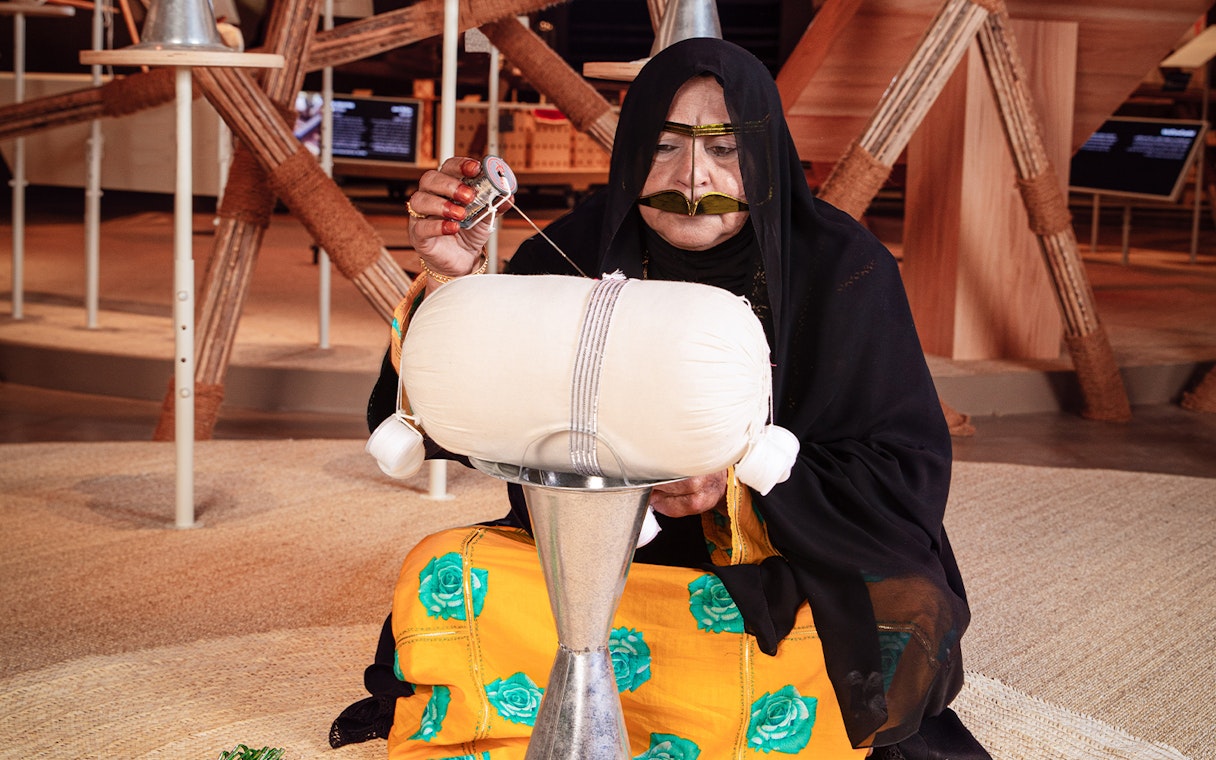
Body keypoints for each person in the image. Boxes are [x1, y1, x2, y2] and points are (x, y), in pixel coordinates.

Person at [332, 37, 988, 759]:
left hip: (787, 560)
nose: (693, 174)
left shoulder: (842, 265)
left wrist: (728, 483)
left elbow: (903, 474)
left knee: (900, 616)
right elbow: (434, 423)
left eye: (726, 149)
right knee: (444, 569)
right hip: (597, 564)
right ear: (630, 151)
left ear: (767, 156)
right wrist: (451, 283)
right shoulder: (573, 246)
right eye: (665, 147)